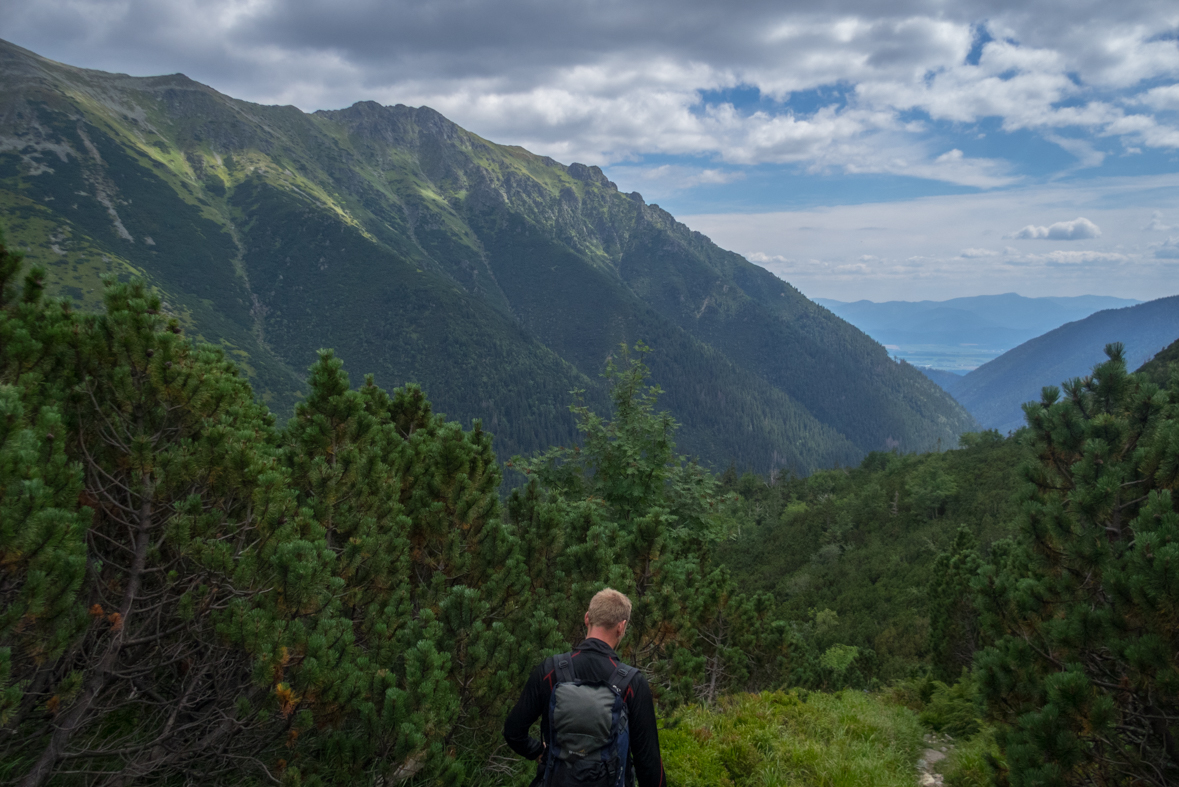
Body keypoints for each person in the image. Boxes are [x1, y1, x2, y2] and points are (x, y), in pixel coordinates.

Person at [503, 588, 666, 787]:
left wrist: (539, 751)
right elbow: (649, 767)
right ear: (621, 627)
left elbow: (513, 731)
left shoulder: (550, 671)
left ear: (587, 618)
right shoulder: (632, 683)